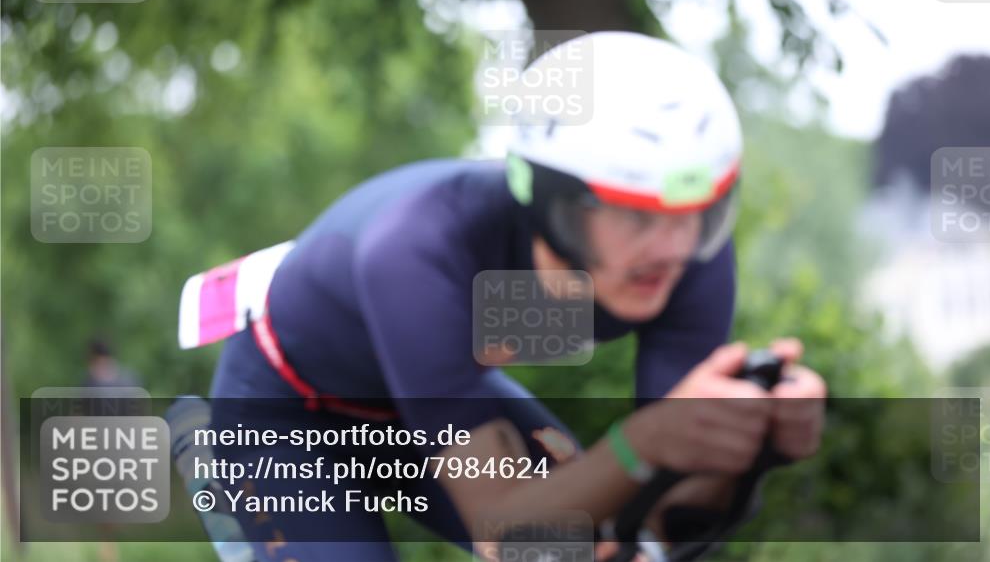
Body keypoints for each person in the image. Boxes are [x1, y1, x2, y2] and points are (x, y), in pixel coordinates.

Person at [206, 32, 826, 561]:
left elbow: (663, 519)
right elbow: (504, 531)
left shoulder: (689, 255)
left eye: (698, 213)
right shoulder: (416, 250)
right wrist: (649, 440)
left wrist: (748, 450)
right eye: (635, 217)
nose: (670, 248)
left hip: (433, 395)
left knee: (597, 545)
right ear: (553, 206)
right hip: (285, 414)